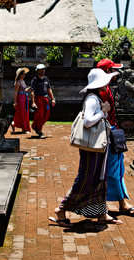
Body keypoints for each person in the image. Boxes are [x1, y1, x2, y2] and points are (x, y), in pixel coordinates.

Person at [49, 68, 123, 226]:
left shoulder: (95, 98)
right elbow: (88, 121)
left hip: (97, 145)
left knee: (99, 177)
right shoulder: (92, 99)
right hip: (92, 146)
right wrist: (103, 112)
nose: (108, 83)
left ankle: (102, 213)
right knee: (86, 177)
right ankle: (62, 209)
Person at [96, 58, 134, 218]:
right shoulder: (101, 91)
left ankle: (121, 203)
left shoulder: (106, 88)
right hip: (107, 134)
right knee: (112, 170)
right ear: (107, 72)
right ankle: (120, 204)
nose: (116, 73)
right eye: (113, 70)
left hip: (113, 132)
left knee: (118, 169)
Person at [30, 63, 55, 137]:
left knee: (46, 115)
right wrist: (33, 102)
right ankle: (40, 131)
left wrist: (53, 99)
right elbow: (32, 92)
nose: (43, 71)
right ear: (37, 71)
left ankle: (35, 126)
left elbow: (49, 89)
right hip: (38, 98)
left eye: (44, 69)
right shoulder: (35, 80)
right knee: (40, 115)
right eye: (41, 69)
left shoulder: (46, 79)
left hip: (45, 99)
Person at [11, 67, 31, 134]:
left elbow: (24, 90)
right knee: (22, 113)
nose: (24, 75)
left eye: (24, 74)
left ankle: (15, 124)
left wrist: (29, 88)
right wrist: (15, 102)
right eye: (22, 74)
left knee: (25, 113)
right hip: (20, 98)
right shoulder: (18, 82)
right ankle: (23, 128)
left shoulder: (23, 81)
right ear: (19, 74)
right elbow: (15, 92)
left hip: (24, 97)